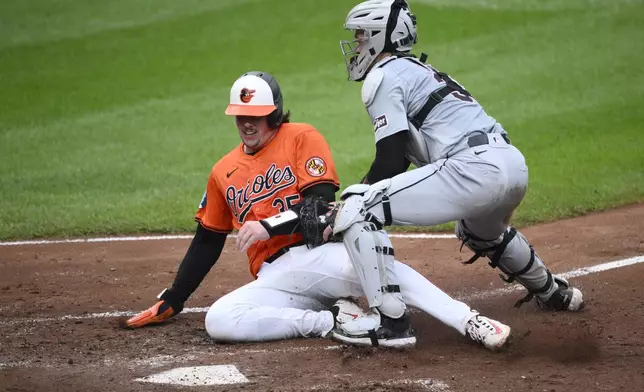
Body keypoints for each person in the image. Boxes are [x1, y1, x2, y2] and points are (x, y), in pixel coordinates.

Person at [121, 70, 512, 351]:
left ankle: (468, 320)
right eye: (240, 116)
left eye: (255, 115)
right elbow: (207, 239)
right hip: (276, 278)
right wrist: (175, 297)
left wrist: (268, 227)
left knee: (375, 265)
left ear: (273, 113)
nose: (246, 123)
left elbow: (320, 203)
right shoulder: (222, 171)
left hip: (317, 254)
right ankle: (334, 320)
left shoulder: (300, 137)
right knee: (220, 320)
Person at [324, 0, 584, 344]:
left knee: (357, 209)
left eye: (360, 34)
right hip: (511, 164)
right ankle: (554, 292)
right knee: (480, 231)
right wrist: (371, 186)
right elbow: (400, 159)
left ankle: (391, 322)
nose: (356, 42)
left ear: (378, 36)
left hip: (471, 171)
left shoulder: (382, 77)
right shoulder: (422, 72)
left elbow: (389, 160)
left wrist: (349, 201)